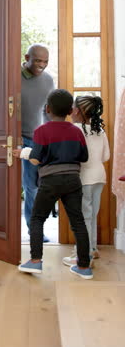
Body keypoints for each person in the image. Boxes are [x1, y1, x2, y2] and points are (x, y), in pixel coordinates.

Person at [13, 89, 93, 279]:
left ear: (47, 109)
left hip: (50, 181)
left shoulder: (41, 131)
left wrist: (27, 153)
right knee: (78, 222)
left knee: (37, 218)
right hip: (73, 180)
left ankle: (35, 261)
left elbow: (35, 159)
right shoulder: (76, 131)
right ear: (70, 110)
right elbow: (84, 157)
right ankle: (83, 267)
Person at [63, 95, 110, 267]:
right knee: (91, 215)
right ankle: (92, 249)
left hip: (84, 178)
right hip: (100, 177)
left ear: (75, 111)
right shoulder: (100, 131)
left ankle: (82, 255)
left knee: (82, 218)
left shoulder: (74, 128)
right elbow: (106, 156)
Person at [21, 44, 54, 242]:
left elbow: (47, 110)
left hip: (35, 140)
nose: (41, 65)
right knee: (7, 185)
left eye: (45, 61)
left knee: (33, 186)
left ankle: (35, 231)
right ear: (27, 57)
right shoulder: (13, 76)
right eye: (37, 60)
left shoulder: (49, 80)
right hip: (12, 139)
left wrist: (51, 136)